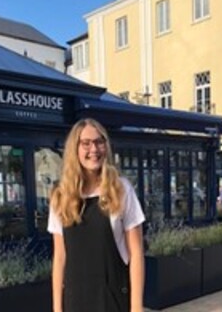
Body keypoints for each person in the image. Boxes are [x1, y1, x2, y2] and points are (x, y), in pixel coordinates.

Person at [47, 118, 146, 312]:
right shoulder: (61, 196)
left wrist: (136, 308)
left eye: (99, 142)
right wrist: (57, 309)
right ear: (74, 149)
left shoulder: (121, 189)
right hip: (75, 302)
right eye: (86, 143)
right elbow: (60, 258)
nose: (94, 149)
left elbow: (136, 254)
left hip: (113, 300)